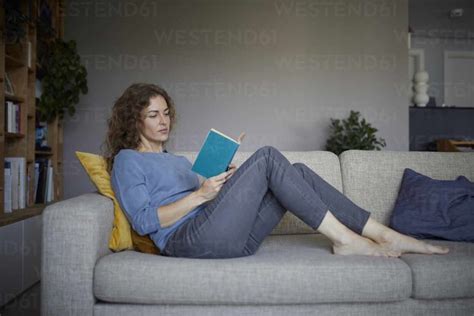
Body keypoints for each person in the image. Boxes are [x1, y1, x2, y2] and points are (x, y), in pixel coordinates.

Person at [103, 83, 450, 259]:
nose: (164, 121)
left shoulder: (175, 160)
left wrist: (228, 180)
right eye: (153, 115)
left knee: (297, 170)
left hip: (229, 238)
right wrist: (199, 195)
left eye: (165, 113)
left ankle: (383, 233)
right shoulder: (127, 161)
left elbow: (209, 200)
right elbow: (145, 222)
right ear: (134, 119)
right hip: (187, 241)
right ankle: (346, 240)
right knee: (268, 157)